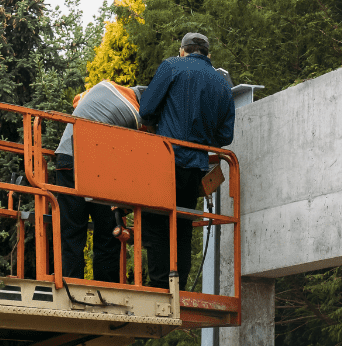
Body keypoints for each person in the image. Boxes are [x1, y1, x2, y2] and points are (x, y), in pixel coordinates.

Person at [138, 32, 235, 288]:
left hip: (165, 161)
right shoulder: (223, 83)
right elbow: (225, 135)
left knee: (156, 223)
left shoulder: (172, 66)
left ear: (183, 50)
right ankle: (176, 289)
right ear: (208, 55)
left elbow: (146, 111)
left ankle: (159, 286)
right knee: (181, 227)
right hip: (196, 168)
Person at [53, 81, 144, 283]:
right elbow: (137, 153)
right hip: (94, 166)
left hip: (66, 157)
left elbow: (77, 102)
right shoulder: (133, 112)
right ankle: (105, 289)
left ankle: (69, 286)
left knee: (71, 232)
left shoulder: (102, 87)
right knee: (108, 234)